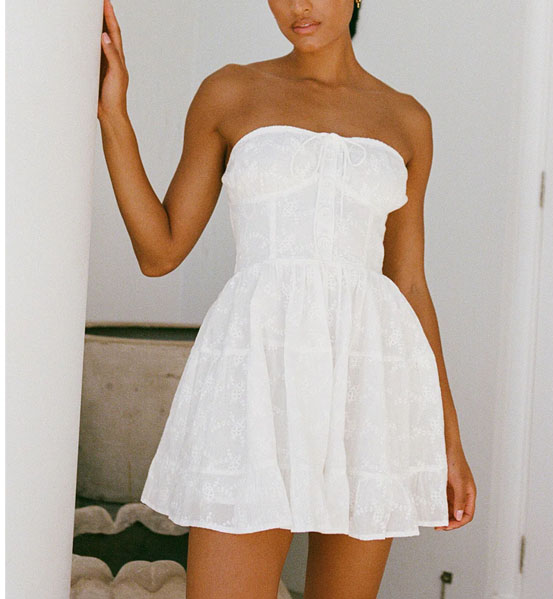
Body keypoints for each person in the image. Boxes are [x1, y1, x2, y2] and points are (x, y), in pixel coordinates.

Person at [98, 0, 476, 597]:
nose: (298, 5)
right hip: (255, 375)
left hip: (367, 385)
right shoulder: (229, 92)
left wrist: (447, 440)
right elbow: (159, 252)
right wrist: (114, 114)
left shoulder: (407, 119)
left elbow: (408, 283)